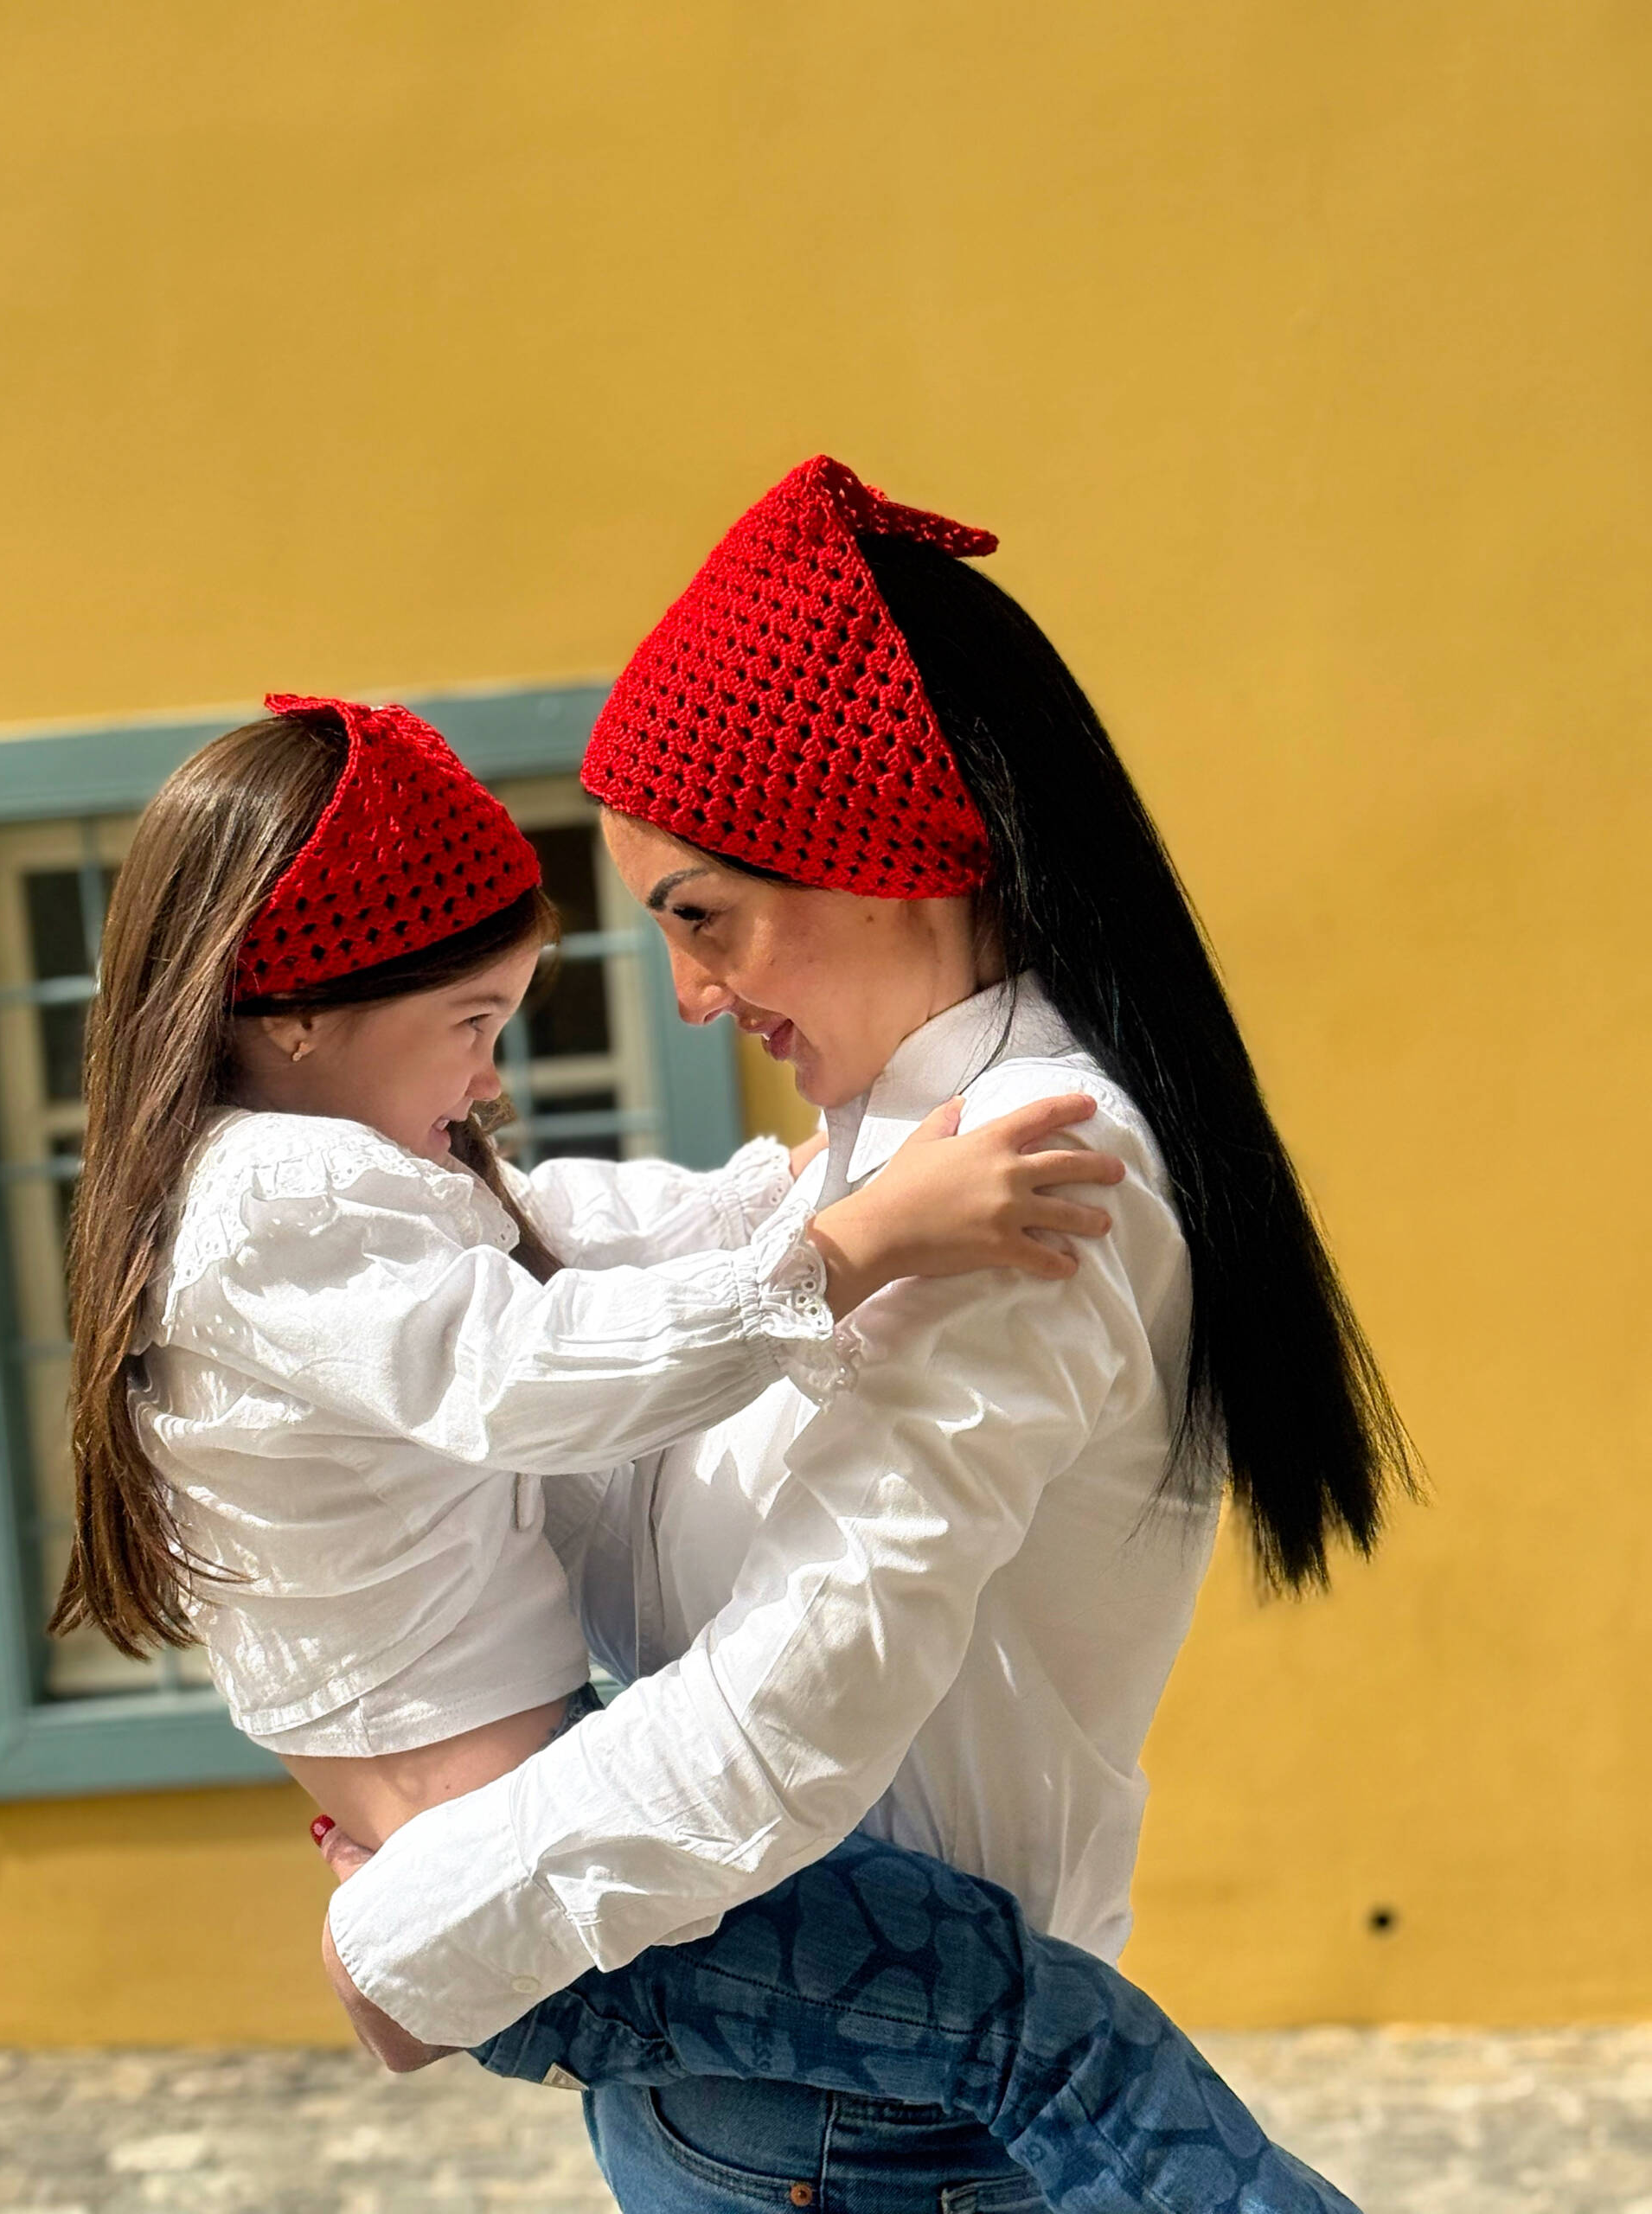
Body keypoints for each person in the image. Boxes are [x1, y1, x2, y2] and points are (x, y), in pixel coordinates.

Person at [50, 688, 1361, 2212]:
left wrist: (820, 1172)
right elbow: (540, 1367)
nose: (490, 1081)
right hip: (524, 1896)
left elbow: (585, 1235)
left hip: (545, 1880)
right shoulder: (286, 1202)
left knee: (1041, 2031)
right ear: (295, 1014)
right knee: (1053, 2040)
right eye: (471, 1027)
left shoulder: (314, 1182)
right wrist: (851, 1241)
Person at [317, 458, 1412, 2211]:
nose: (689, 993)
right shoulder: (898, 1155)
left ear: (892, 851)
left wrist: (431, 1923)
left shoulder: (1030, 1175)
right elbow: (658, 1359)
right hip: (799, 2090)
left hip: (849, 2125)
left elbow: (805, 1684)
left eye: (703, 915)